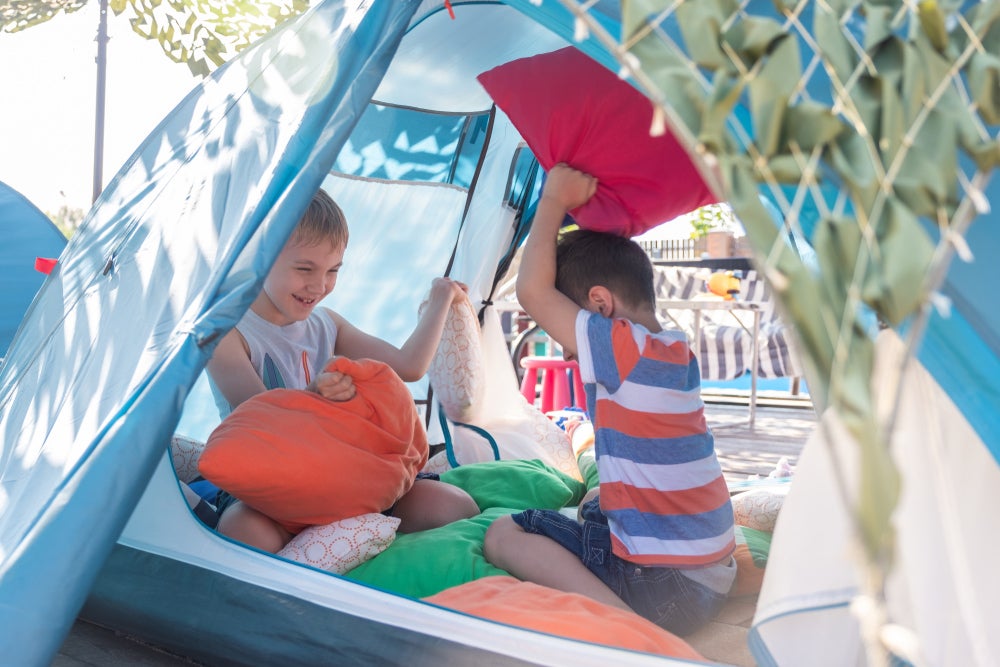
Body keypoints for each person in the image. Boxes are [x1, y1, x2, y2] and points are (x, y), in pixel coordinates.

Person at [483, 164, 736, 636]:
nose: (564, 347)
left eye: (564, 330)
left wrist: (554, 200)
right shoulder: (675, 348)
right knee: (597, 502)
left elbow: (532, 291)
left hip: (666, 590)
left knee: (504, 534)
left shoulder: (621, 347)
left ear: (599, 306)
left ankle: (630, 628)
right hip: (711, 571)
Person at [207, 188, 479, 553]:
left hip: (344, 475)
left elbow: (409, 367)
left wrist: (441, 296)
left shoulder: (326, 325)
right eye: (305, 269)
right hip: (269, 485)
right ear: (260, 258)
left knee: (453, 506)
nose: (319, 286)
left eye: (333, 270)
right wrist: (313, 398)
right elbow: (258, 421)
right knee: (242, 532)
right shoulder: (226, 332)